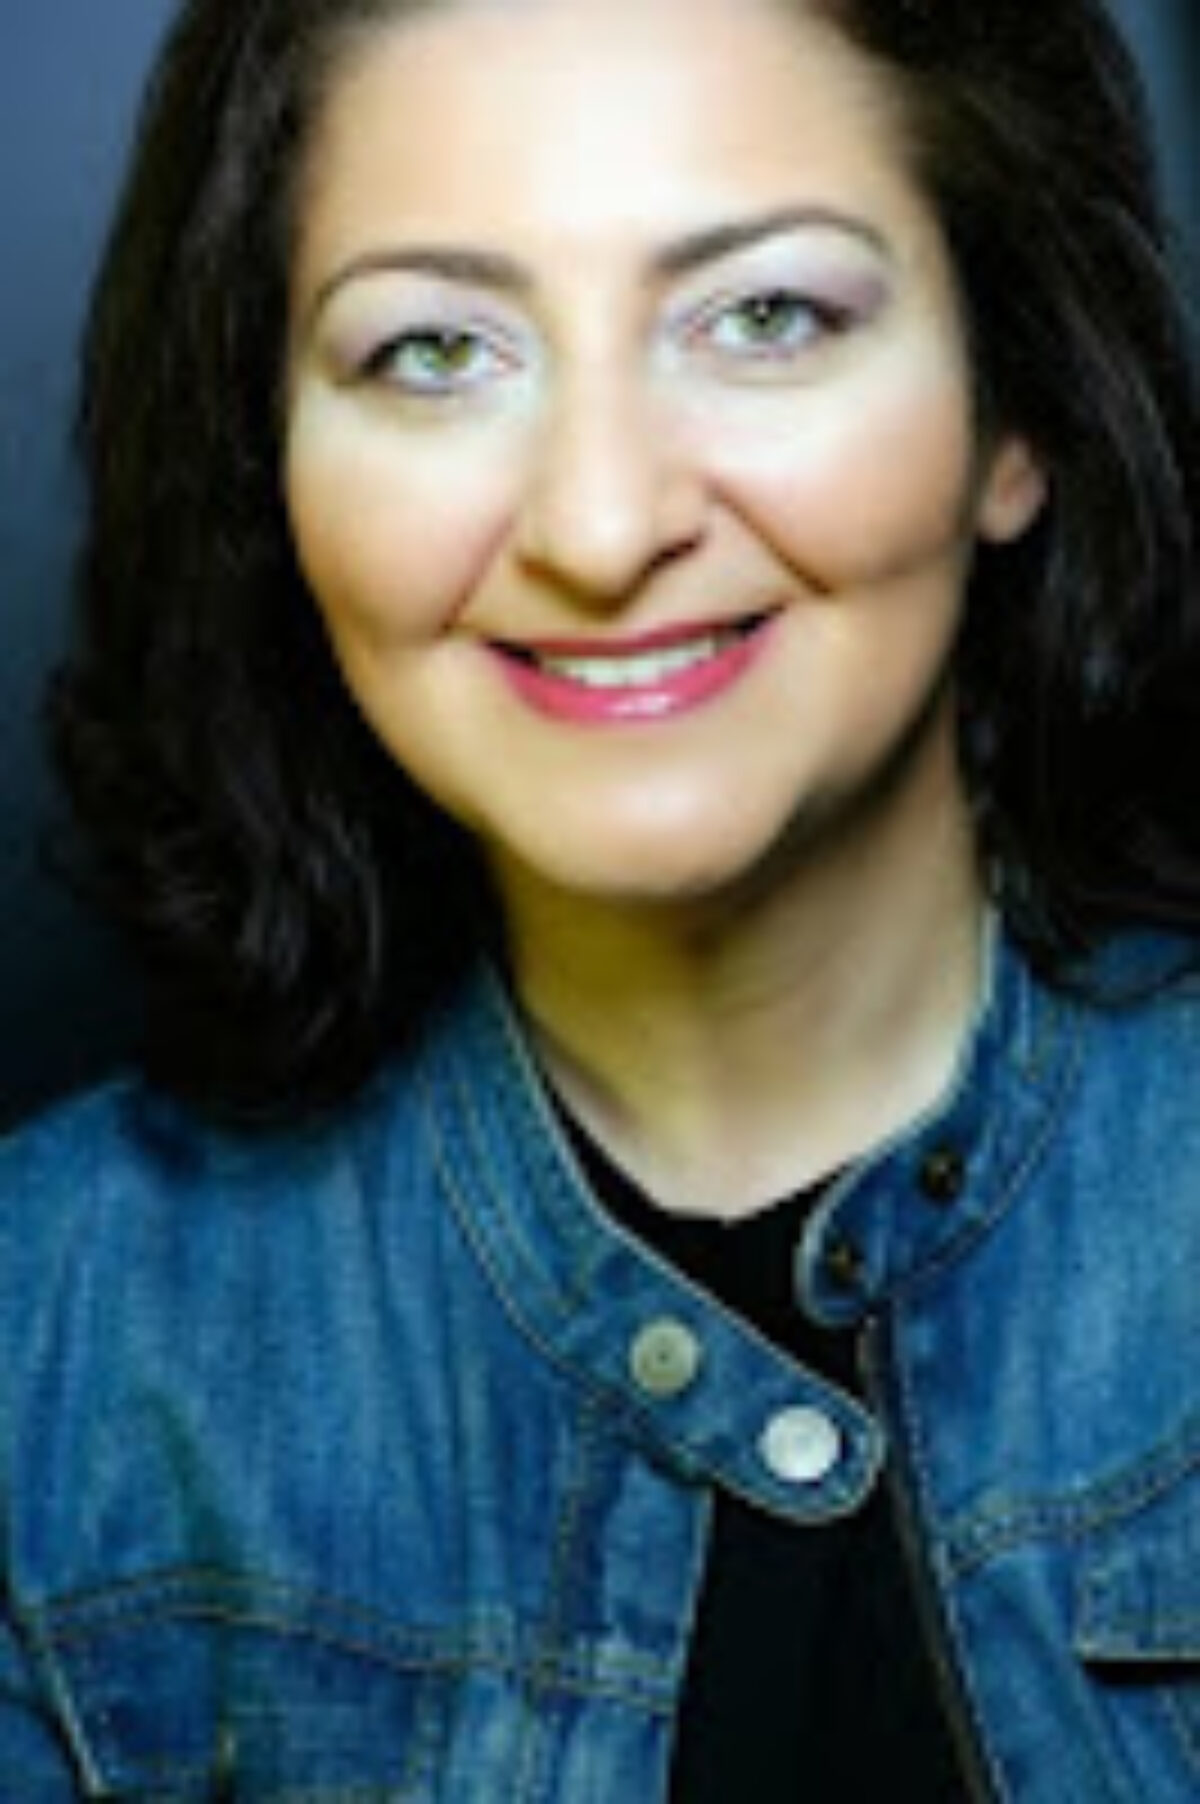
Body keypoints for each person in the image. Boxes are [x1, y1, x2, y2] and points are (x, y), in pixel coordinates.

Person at [2, 0, 1198, 1794]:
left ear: (1014, 413)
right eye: (435, 351)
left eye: (765, 318)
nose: (601, 524)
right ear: (276, 472)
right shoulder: (42, 1349)